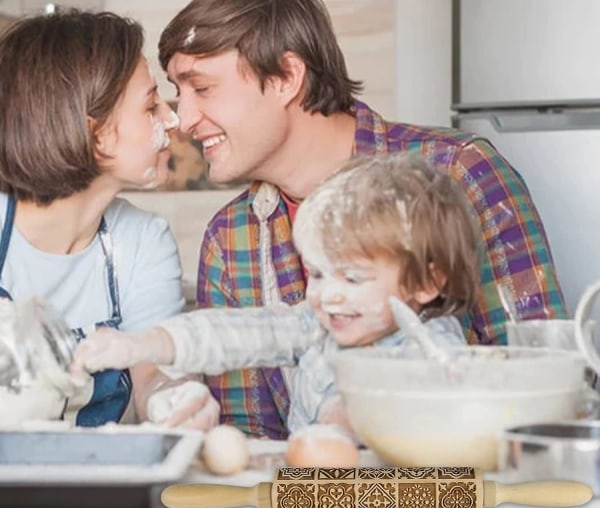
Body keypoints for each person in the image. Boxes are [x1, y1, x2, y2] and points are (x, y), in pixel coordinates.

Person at [157, 0, 566, 438]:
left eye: (201, 89)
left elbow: (546, 383)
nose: (183, 119)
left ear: (285, 78)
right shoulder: (229, 238)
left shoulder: (459, 171)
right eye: (179, 92)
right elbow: (249, 437)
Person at [72, 154, 480, 437]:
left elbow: (448, 440)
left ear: (428, 283)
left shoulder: (436, 349)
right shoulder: (318, 325)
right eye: (318, 273)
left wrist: (345, 423)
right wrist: (141, 345)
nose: (330, 296)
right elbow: (237, 333)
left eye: (354, 278)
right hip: (315, 502)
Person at [0, 10, 219, 429]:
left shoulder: (142, 242)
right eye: (151, 105)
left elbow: (155, 375)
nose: (173, 120)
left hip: (96, 488)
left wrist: (174, 400)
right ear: (96, 134)